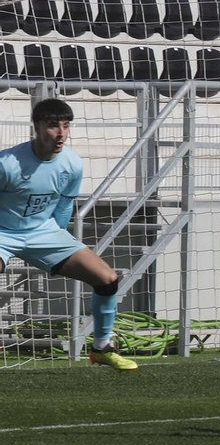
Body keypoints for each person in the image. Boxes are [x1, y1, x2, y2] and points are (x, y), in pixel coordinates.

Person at [0, 98, 137, 370]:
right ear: (36, 127)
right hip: (3, 232)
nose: (61, 133)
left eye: (66, 125)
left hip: (44, 233)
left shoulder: (72, 164)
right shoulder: (7, 163)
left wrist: (58, 244)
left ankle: (101, 348)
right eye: (53, 125)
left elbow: (63, 205)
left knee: (107, 278)